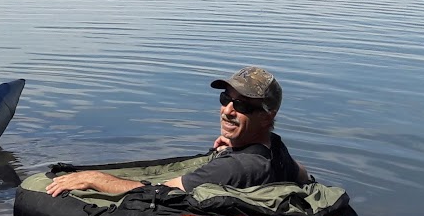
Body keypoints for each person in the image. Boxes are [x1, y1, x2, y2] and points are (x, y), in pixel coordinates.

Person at [46, 66, 311, 198]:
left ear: (268, 116)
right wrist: (237, 146)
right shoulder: (275, 149)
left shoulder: (233, 168)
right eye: (225, 99)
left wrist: (96, 179)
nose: (227, 110)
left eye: (241, 105)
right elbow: (304, 175)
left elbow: (156, 193)